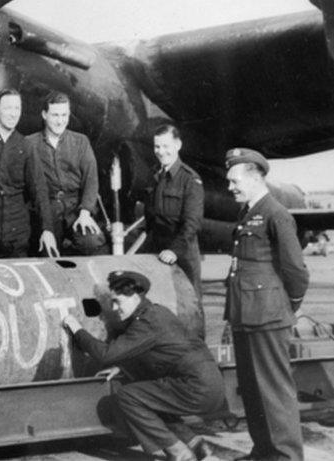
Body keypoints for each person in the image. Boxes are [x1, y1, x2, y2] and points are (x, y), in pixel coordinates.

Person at [62, 271, 222, 461]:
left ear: (135, 296)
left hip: (195, 387)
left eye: (118, 301)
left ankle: (179, 453)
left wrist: (76, 328)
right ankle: (198, 447)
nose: (114, 308)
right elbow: (162, 352)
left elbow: (105, 355)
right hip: (209, 383)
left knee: (129, 396)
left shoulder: (146, 323)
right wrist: (123, 368)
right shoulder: (158, 312)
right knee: (151, 395)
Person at [225, 148, 309, 461]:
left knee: (274, 391)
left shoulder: (276, 213)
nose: (230, 187)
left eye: (235, 180)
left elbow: (296, 270)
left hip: (268, 316)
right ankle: (263, 451)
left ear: (255, 177)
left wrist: (291, 304)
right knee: (252, 389)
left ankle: (285, 456)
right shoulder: (247, 213)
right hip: (246, 314)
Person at [0, 89, 58, 258]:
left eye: (17, 109)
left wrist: (47, 230)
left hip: (17, 233)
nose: (13, 114)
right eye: (8, 108)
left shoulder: (26, 146)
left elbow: (39, 189)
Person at [142, 124, 205, 337]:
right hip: (157, 252)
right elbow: (151, 219)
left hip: (182, 254)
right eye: (157, 146)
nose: (161, 151)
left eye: (166, 146)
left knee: (189, 309)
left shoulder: (190, 179)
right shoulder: (155, 175)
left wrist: (174, 251)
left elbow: (192, 223)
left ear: (178, 145)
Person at [25, 92, 107, 255]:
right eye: (55, 115)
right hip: (47, 207)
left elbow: (91, 180)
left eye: (64, 115)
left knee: (91, 242)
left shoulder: (81, 141)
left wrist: (85, 213)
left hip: (76, 206)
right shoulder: (29, 143)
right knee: (46, 251)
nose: (60, 120)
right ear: (44, 115)